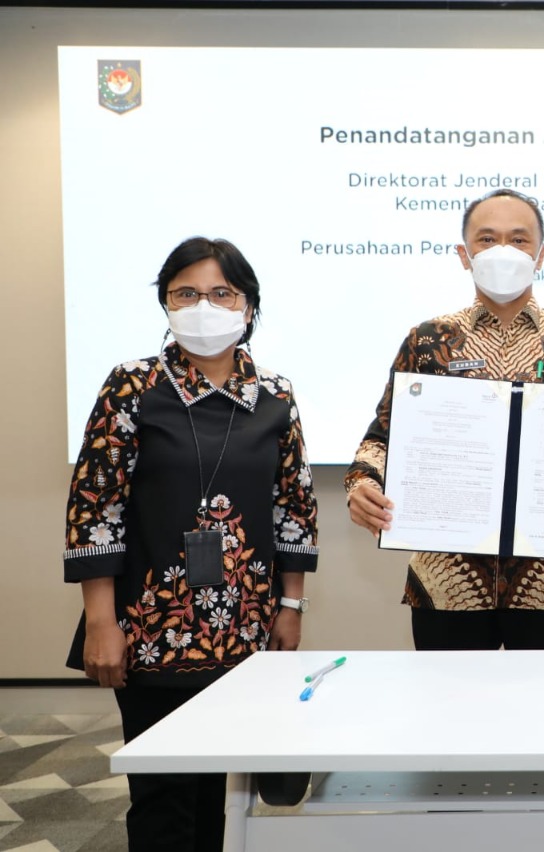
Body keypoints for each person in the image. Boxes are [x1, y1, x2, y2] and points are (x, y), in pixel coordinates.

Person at [63, 237, 319, 852]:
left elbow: (294, 507)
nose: (204, 306)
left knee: (218, 794)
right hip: (151, 626)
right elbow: (96, 508)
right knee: (163, 797)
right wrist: (100, 622)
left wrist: (292, 606)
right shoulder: (132, 386)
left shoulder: (276, 395)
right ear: (166, 304)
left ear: (248, 306)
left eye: (221, 293)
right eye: (186, 294)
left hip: (246, 627)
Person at [346, 188, 544, 651]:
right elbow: (383, 437)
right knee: (448, 699)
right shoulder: (428, 341)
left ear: (541, 255)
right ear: (464, 255)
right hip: (447, 582)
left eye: (519, 239)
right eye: (487, 239)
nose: (503, 250)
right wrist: (361, 484)